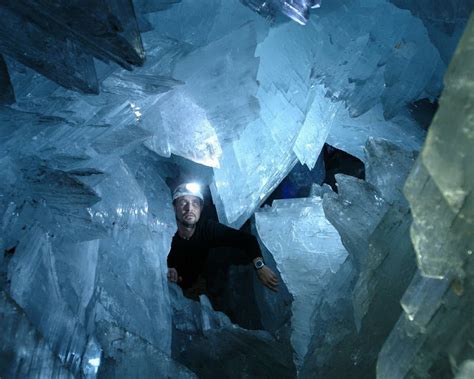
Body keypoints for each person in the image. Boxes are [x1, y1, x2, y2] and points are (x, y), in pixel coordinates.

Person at [167, 182, 279, 299]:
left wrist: (260, 266)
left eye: (195, 203)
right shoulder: (165, 231)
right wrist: (166, 269)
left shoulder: (207, 228)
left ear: (200, 209)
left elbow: (247, 240)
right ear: (174, 207)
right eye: (183, 202)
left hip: (197, 283)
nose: (189, 208)